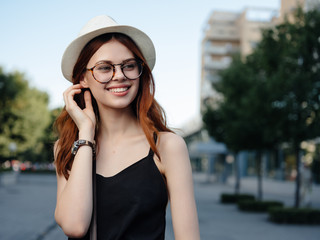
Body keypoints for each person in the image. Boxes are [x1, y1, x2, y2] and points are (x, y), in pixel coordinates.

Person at [53, 15, 200, 240]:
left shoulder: (167, 147)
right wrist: (86, 134)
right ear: (83, 78)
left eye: (129, 66)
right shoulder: (66, 148)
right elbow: (74, 226)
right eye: (104, 68)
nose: (119, 76)